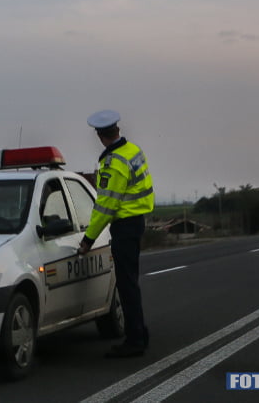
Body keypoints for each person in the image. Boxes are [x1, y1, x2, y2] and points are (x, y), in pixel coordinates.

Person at [77, 109, 155, 358]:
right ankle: (140, 332)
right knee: (130, 282)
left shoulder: (114, 163)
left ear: (100, 136)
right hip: (137, 221)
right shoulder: (133, 151)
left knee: (127, 285)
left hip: (125, 226)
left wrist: (88, 239)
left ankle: (135, 340)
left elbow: (105, 207)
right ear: (118, 130)